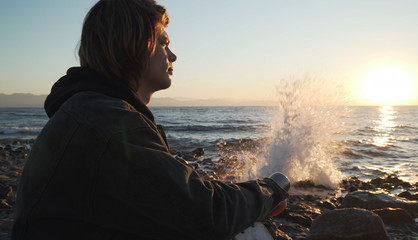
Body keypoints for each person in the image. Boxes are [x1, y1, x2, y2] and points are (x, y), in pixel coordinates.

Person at [12, 0, 288, 239]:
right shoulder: (108, 123)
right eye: (164, 43)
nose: (173, 56)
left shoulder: (92, 110)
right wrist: (273, 188)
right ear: (135, 44)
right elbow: (209, 214)